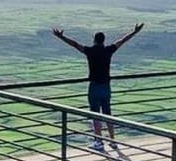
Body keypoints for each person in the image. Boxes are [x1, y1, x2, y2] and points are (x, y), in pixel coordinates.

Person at [52, 23, 144, 151]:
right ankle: (112, 140)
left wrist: (61, 37)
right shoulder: (108, 50)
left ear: (94, 40)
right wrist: (135, 32)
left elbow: (75, 44)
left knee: (95, 115)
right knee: (108, 114)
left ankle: (98, 141)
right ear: (103, 40)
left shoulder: (90, 51)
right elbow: (122, 41)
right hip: (106, 87)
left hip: (94, 87)